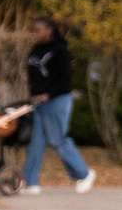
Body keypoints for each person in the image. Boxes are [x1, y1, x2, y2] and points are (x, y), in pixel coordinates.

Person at [22, 18, 96, 193]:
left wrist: (49, 94)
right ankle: (31, 182)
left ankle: (84, 174)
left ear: (49, 30)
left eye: (37, 30)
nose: (34, 34)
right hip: (38, 102)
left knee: (57, 140)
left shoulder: (61, 51)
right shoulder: (34, 51)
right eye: (32, 30)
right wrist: (34, 95)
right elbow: (32, 77)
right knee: (35, 142)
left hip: (57, 100)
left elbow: (65, 80)